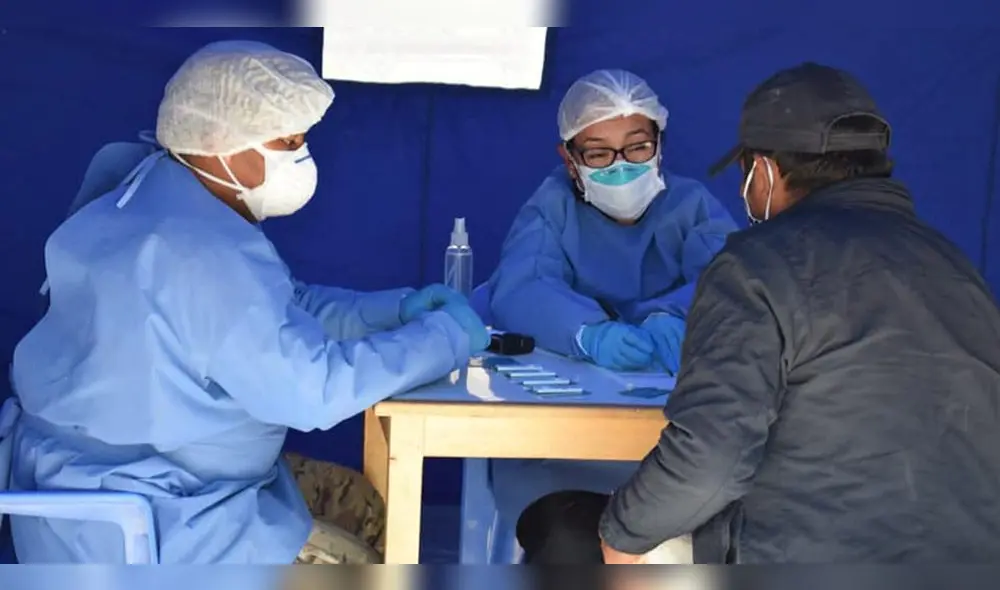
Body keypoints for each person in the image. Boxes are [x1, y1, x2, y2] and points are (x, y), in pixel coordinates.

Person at [7, 40, 489, 564]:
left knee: (362, 504)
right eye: (287, 142)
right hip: (159, 522)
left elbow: (282, 308)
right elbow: (315, 390)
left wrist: (393, 312)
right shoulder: (197, 251)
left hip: (84, 488)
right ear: (220, 140)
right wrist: (443, 338)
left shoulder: (150, 194)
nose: (301, 157)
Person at [533, 62, 1000, 563]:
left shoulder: (757, 264)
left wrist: (622, 534)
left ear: (765, 171)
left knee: (562, 528)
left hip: (811, 558)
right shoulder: (955, 268)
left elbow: (712, 458)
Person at [486, 69, 738, 555]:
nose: (621, 167)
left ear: (660, 145)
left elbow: (732, 278)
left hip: (679, 447)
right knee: (563, 538)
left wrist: (677, 316)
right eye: (599, 154)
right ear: (569, 158)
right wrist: (587, 333)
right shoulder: (551, 209)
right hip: (562, 451)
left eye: (637, 147)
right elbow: (521, 288)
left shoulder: (691, 205)